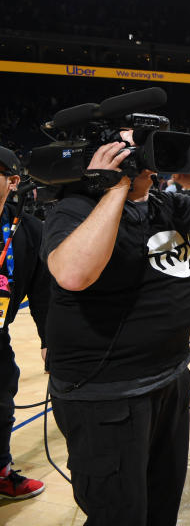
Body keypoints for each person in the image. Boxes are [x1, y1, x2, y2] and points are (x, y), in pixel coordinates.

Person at [42, 133, 190, 525]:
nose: (146, 154)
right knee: (119, 515)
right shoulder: (75, 207)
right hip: (107, 394)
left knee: (161, 506)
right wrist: (114, 189)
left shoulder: (165, 203)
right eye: (132, 144)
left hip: (169, 379)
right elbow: (72, 274)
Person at [0, 148, 50, 501]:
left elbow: (43, 294)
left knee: (2, 405)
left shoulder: (29, 230)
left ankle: (0, 472)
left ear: (12, 181)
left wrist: (51, 341)